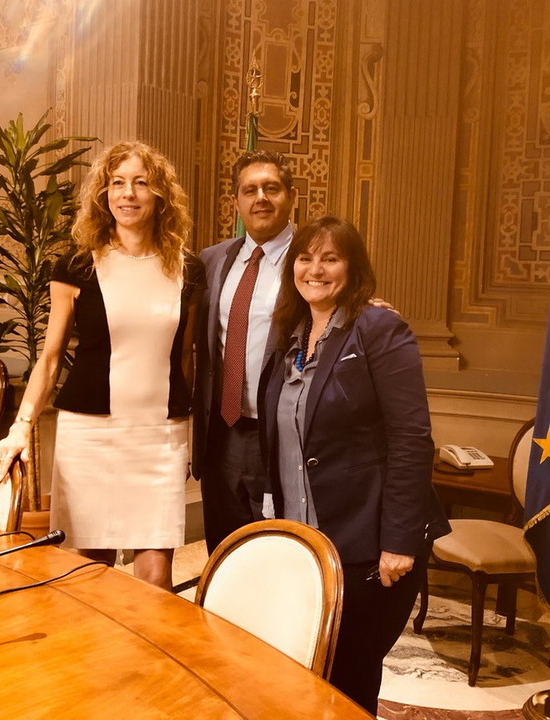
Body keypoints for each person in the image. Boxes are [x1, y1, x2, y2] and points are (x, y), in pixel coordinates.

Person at [0, 141, 204, 591]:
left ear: (160, 194)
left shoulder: (189, 269)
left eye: (141, 183)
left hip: (159, 436)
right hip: (90, 434)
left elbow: (184, 356)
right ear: (104, 194)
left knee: (156, 580)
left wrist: (187, 432)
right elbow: (50, 358)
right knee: (91, 573)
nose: (128, 193)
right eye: (117, 183)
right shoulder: (77, 266)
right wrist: (20, 428)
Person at [259, 216, 451, 714]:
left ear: (353, 267)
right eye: (305, 258)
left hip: (369, 545)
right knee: (308, 672)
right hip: (304, 543)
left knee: (349, 678)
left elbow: (412, 438)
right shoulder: (289, 333)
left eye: (331, 258)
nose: (315, 270)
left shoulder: (378, 328)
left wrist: (399, 541)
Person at [193, 150, 296, 554]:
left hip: (276, 434)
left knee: (272, 550)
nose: (261, 198)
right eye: (250, 190)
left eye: (272, 188)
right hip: (219, 432)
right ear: (236, 201)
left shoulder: (310, 260)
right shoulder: (212, 259)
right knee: (222, 550)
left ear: (291, 196)